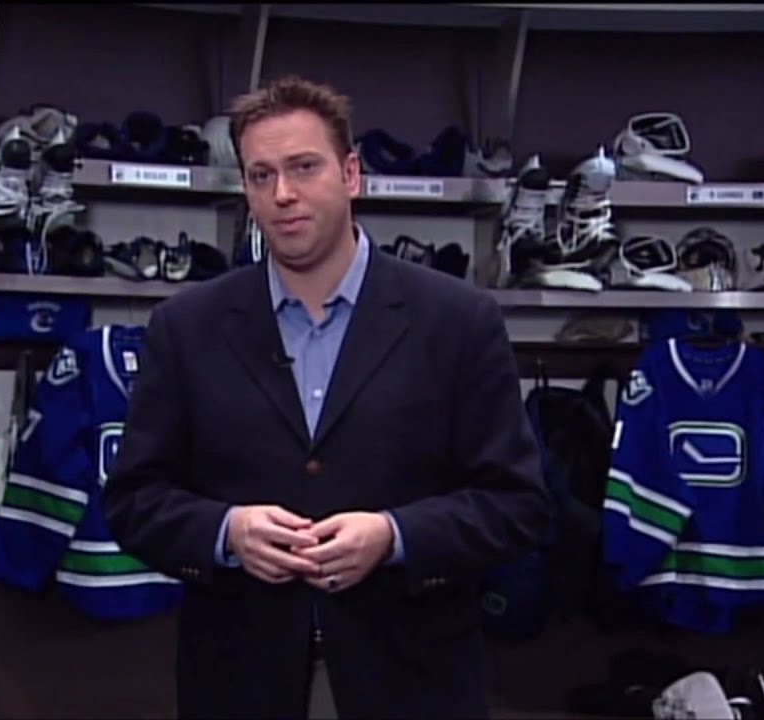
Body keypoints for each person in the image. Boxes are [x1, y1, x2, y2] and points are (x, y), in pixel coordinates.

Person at [102, 75, 552, 720]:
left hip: (412, 679)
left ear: (351, 174)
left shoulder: (457, 321)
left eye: (303, 168)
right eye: (260, 176)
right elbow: (134, 500)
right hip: (239, 679)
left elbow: (518, 505)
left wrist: (395, 535)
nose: (282, 194)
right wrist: (226, 532)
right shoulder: (187, 326)